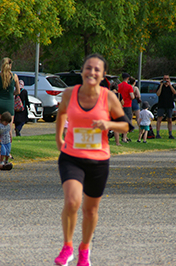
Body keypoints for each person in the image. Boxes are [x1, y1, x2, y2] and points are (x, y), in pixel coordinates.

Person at [54, 53, 130, 266]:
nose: (92, 72)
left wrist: (109, 125)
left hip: (98, 160)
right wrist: (59, 139)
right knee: (72, 201)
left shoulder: (108, 97)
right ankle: (67, 246)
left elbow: (127, 125)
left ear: (103, 74)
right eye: (88, 68)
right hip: (72, 157)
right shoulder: (70, 94)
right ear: (82, 70)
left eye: (97, 69)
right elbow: (61, 113)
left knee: (90, 210)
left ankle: (84, 249)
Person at [0, 57, 20, 133]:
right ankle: (8, 143)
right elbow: (18, 91)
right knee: (9, 129)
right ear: (10, 65)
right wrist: (12, 93)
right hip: (9, 103)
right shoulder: (15, 76)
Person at [156, 74, 176, 139]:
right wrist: (161, 85)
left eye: (167, 79)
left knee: (169, 119)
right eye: (165, 79)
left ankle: (170, 134)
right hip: (161, 104)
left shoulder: (171, 86)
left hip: (169, 105)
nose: (166, 80)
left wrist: (170, 85)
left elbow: (174, 92)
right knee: (159, 119)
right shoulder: (160, 86)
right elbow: (158, 94)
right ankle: (158, 133)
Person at [118, 72, 134, 143]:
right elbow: (132, 96)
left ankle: (118, 136)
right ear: (127, 78)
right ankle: (124, 138)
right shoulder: (129, 86)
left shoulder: (118, 86)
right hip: (127, 105)